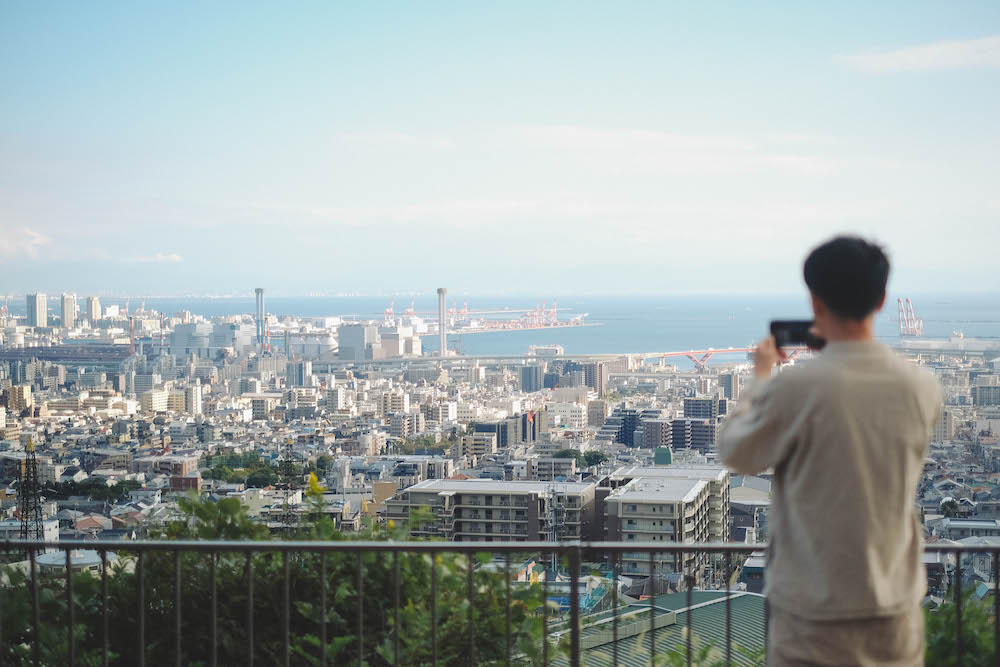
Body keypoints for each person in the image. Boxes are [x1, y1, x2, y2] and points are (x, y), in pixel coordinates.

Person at [718, 236, 941, 666]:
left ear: (815, 300)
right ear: (880, 300)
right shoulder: (922, 386)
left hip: (811, 611)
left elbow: (739, 453)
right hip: (893, 607)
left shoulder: (796, 387)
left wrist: (762, 377)